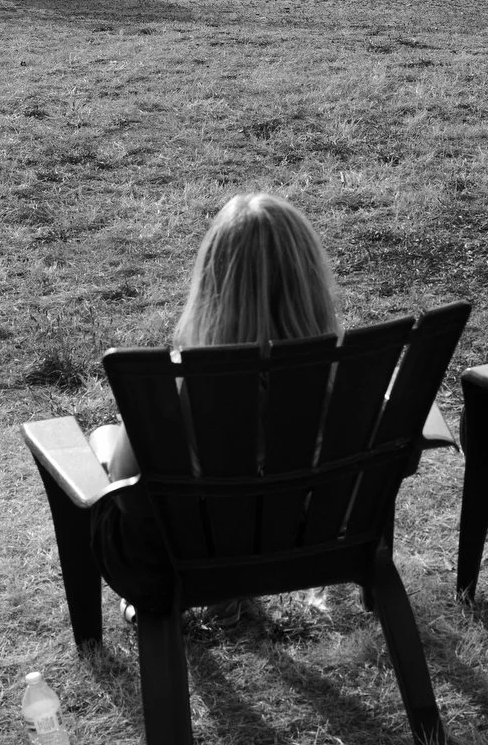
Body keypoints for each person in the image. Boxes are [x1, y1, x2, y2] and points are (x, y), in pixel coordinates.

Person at [87, 193, 342, 627]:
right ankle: (235, 593)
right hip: (301, 540)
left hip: (176, 560)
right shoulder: (346, 374)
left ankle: (188, 601)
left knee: (105, 445)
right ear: (310, 279)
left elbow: (126, 486)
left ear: (212, 281)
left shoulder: (175, 385)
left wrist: (107, 443)